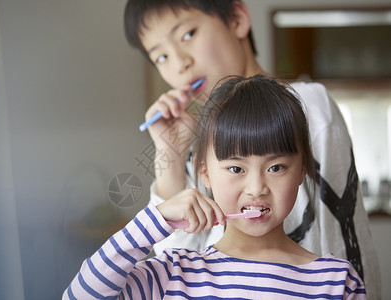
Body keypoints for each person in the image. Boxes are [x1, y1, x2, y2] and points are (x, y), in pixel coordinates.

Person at [123, 0, 380, 298]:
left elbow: (346, 241)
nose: (180, 63)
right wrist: (171, 154)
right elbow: (180, 273)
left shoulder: (310, 106)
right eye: (162, 56)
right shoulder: (200, 145)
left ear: (237, 18)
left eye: (188, 34)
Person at [63, 75, 366, 299]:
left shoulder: (336, 280)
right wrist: (155, 220)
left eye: (276, 167)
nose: (257, 188)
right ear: (204, 174)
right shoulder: (172, 274)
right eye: (236, 168)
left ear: (302, 170)